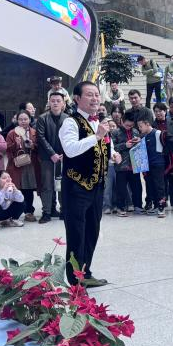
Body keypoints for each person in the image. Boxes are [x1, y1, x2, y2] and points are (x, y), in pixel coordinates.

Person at [58, 81, 115, 287]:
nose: (95, 99)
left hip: (97, 187)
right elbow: (70, 149)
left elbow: (104, 147)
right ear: (77, 99)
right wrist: (97, 136)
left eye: (97, 95)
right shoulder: (70, 122)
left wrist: (114, 154)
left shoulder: (99, 122)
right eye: (90, 95)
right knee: (76, 234)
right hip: (76, 187)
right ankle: (75, 280)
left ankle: (86, 272)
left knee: (92, 232)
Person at [36, 92, 68, 223]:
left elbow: (70, 137)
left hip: (64, 157)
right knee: (47, 185)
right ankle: (47, 212)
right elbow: (41, 137)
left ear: (63, 103)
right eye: (53, 100)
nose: (55, 103)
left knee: (63, 185)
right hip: (47, 158)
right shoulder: (42, 118)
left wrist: (65, 153)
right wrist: (52, 154)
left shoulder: (68, 118)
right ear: (49, 102)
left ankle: (64, 210)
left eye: (58, 101)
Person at [5, 111, 39, 222]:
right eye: (20, 119)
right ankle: (15, 212)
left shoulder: (34, 132)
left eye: (25, 119)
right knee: (18, 188)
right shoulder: (12, 133)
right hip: (17, 165)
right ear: (17, 120)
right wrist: (16, 144)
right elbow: (7, 149)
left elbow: (39, 147)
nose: (23, 121)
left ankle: (29, 211)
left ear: (30, 119)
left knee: (29, 189)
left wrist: (32, 145)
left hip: (30, 165)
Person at [135, 109, 167, 218]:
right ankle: (155, 206)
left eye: (140, 126)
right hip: (148, 165)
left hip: (158, 164)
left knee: (159, 186)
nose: (139, 129)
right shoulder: (143, 137)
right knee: (150, 186)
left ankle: (161, 207)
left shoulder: (158, 133)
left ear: (147, 124)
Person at [112, 112, 143, 216]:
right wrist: (125, 145)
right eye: (127, 125)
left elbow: (140, 146)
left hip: (134, 164)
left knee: (137, 187)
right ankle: (120, 208)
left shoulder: (135, 131)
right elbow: (112, 148)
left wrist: (139, 141)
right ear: (122, 121)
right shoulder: (115, 132)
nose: (129, 127)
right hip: (121, 165)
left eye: (131, 125)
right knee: (121, 188)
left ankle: (138, 206)